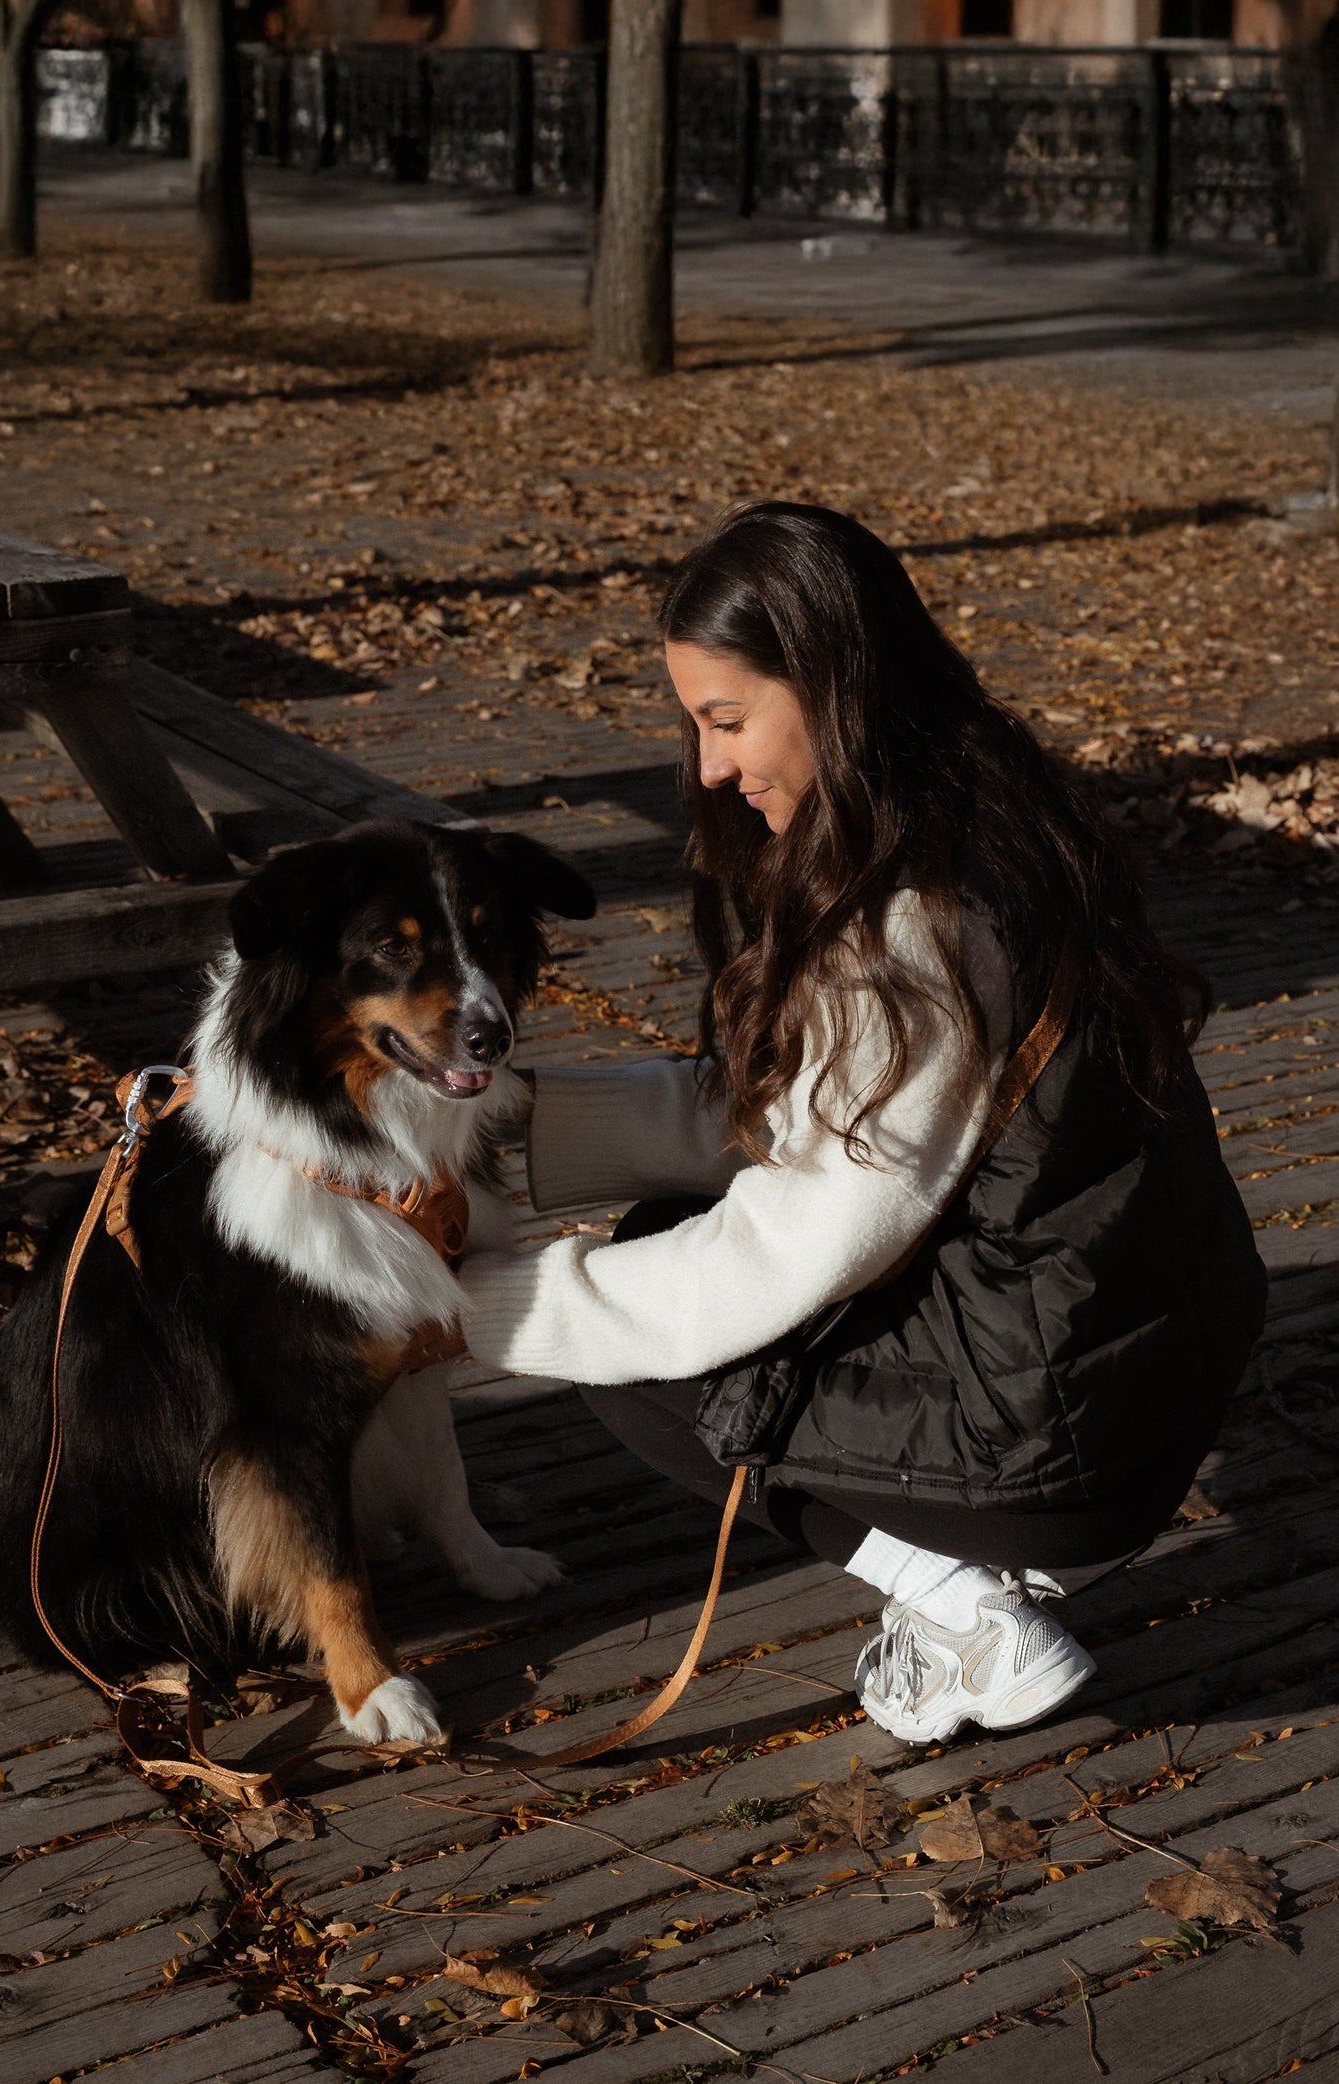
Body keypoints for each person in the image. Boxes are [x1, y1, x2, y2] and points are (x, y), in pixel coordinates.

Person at [450, 500, 1266, 1746]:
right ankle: (981, 1573)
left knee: (640, 1349)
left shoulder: (909, 921)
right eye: (696, 725)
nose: (710, 765)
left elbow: (783, 1247)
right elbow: (799, 1120)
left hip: (1070, 1453)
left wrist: (489, 1310)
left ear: (831, 687)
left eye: (727, 719)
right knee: (658, 1248)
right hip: (1153, 1363)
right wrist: (498, 1122)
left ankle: (966, 1612)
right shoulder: (989, 813)